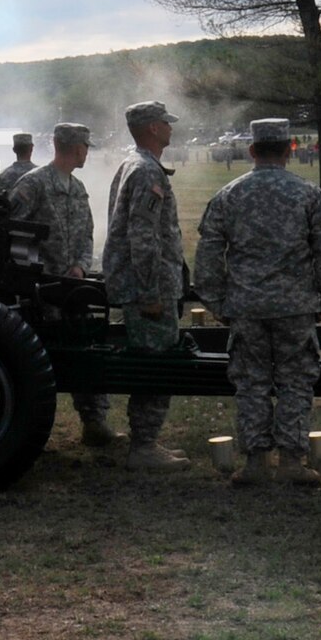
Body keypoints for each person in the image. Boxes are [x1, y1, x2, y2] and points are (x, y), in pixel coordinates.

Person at [195, 118, 321, 487]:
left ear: (252, 151)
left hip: (246, 307)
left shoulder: (228, 195)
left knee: (251, 382)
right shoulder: (309, 195)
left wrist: (216, 302)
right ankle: (292, 460)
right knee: (295, 380)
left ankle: (256, 462)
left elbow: (208, 254)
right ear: (290, 149)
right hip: (294, 307)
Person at [8, 123, 116, 450]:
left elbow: (87, 234)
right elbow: (10, 234)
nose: (87, 151)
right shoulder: (33, 184)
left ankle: (94, 424)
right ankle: (24, 429)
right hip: (39, 293)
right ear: (71, 147)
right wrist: (31, 273)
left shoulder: (78, 187)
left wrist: (82, 265)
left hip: (73, 288)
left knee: (86, 351)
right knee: (32, 362)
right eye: (85, 145)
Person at [101, 101, 190, 472]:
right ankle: (145, 446)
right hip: (148, 288)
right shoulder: (145, 171)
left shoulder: (134, 164)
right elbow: (143, 237)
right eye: (166, 123)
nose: (171, 128)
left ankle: (145, 441)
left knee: (152, 357)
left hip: (143, 283)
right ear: (153, 128)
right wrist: (150, 292)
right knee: (155, 361)